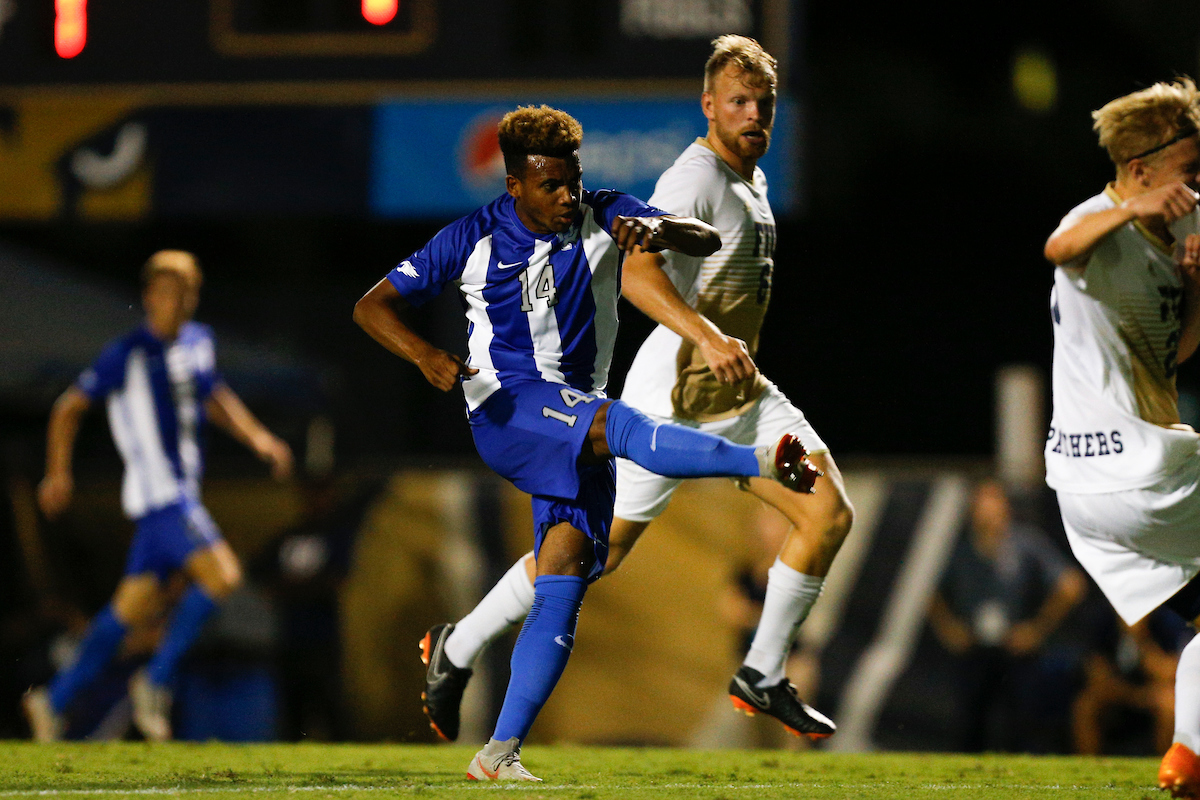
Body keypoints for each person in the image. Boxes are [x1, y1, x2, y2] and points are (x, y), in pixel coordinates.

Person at [353, 104, 821, 781]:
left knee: (566, 577)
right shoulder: (470, 238)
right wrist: (425, 354)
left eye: (572, 181)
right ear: (515, 185)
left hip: (569, 420)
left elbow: (701, 239)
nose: (566, 196)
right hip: (508, 408)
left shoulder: (604, 211)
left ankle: (497, 754)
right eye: (550, 186)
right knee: (618, 426)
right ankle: (758, 462)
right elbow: (371, 305)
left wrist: (657, 226)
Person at [22, 250, 293, 743]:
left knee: (125, 614)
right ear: (149, 297)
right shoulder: (127, 353)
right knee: (223, 575)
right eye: (170, 291)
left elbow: (215, 397)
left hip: (171, 501)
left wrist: (259, 439)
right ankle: (156, 679)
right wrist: (57, 474)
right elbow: (68, 408)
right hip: (162, 496)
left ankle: (53, 700)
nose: (180, 301)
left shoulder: (198, 343)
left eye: (188, 291)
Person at [1041, 78, 1200, 797]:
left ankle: (1186, 762)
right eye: (1190, 173)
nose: (1198, 186)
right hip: (1144, 466)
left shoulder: (1185, 231)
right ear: (1140, 171)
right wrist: (1131, 209)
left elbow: (1175, 354)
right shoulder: (1101, 217)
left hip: (1087, 490)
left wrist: (1197, 287)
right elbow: (1057, 245)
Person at [927, 479, 1086, 752]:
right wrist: (949, 628)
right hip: (974, 650)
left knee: (1022, 724)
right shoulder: (959, 550)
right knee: (969, 725)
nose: (987, 510)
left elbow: (1071, 584)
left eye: (993, 501)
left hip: (1016, 650)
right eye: (981, 502)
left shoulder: (1026, 544)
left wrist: (1037, 629)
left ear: (1006, 507)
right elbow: (926, 587)